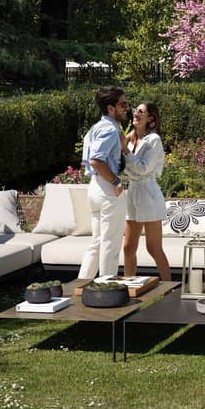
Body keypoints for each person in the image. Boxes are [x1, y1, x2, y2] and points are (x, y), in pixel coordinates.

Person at [79, 85, 130, 281]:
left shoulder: (97, 128)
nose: (126, 108)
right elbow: (96, 160)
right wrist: (116, 181)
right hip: (107, 189)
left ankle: (80, 287)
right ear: (110, 108)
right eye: (123, 105)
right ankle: (107, 291)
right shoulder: (109, 129)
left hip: (95, 188)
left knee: (98, 243)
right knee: (110, 242)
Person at [122, 101, 172, 282]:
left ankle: (169, 287)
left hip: (148, 194)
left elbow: (142, 169)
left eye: (141, 111)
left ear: (150, 118)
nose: (136, 113)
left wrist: (124, 149)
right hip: (133, 192)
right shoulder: (131, 138)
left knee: (153, 248)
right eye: (135, 110)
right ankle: (129, 287)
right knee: (128, 247)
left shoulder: (153, 140)